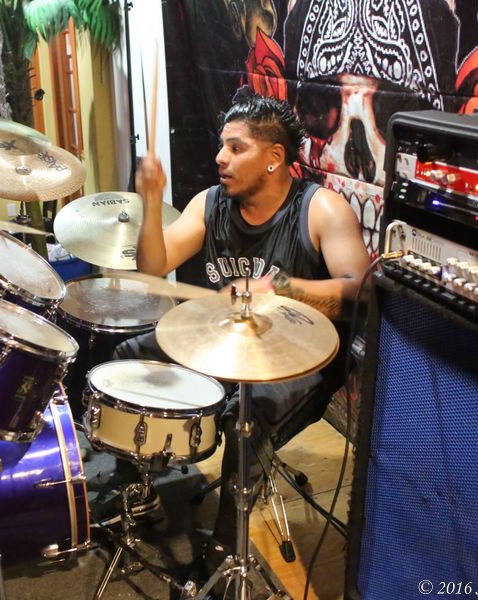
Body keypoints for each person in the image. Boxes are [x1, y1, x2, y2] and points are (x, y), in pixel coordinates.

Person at [115, 91, 370, 574]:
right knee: (131, 357)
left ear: (274, 158)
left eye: (235, 148)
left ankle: (225, 551)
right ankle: (141, 489)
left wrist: (280, 289)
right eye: (222, 146)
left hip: (303, 360)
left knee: (243, 422)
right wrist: (149, 200)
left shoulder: (321, 209)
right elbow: (153, 266)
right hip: (228, 342)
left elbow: (361, 291)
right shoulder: (209, 204)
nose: (220, 157)